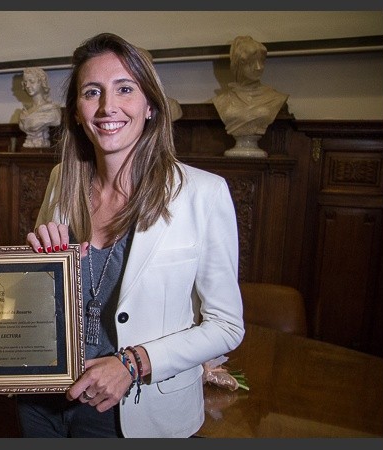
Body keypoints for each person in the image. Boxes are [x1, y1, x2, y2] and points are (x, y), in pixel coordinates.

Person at [20, 32, 245, 438]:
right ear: (75, 112)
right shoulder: (61, 181)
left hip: (133, 411)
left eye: (125, 89)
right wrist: (36, 265)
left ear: (150, 107)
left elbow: (226, 326)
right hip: (43, 402)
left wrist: (133, 362)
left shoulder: (203, 193)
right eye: (92, 92)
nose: (108, 107)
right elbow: (42, 297)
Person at [212, 35, 288, 155]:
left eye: (262, 61)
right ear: (238, 64)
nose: (258, 67)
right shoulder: (222, 100)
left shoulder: (275, 98)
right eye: (251, 63)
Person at [19, 67, 62, 148]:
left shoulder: (51, 110)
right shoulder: (25, 111)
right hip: (27, 147)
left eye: (32, 81)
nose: (27, 85)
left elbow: (57, 121)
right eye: (25, 82)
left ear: (42, 82)